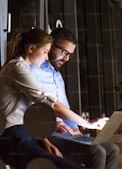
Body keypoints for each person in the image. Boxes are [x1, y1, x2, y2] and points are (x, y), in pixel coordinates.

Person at [0, 28, 107, 169]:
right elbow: (50, 104)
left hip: (25, 134)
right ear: (31, 49)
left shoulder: (23, 67)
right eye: (45, 52)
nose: (47, 58)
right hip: (13, 136)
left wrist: (43, 141)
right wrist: (88, 123)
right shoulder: (17, 67)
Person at [30, 27, 120, 169]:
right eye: (64, 52)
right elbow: (32, 109)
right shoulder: (34, 70)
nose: (66, 58)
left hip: (68, 133)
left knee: (112, 149)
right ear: (51, 46)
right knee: (97, 152)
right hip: (49, 131)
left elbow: (65, 109)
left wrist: (76, 130)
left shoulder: (58, 76)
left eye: (70, 55)